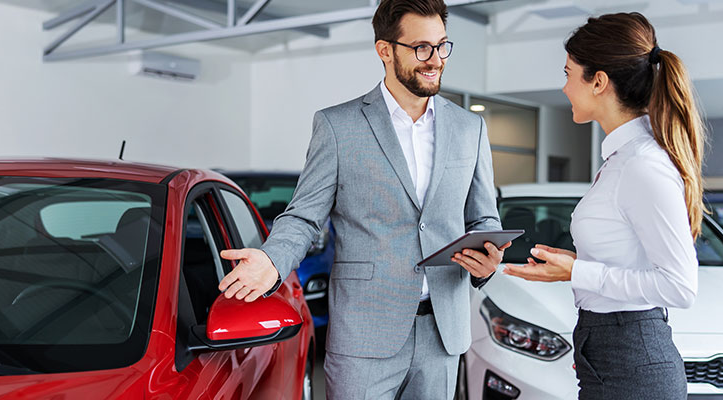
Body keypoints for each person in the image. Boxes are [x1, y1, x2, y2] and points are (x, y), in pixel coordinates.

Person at [217, 0, 509, 398]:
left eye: (442, 46)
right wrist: (272, 260)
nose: (436, 59)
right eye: (421, 48)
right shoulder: (338, 126)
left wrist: (489, 258)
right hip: (364, 336)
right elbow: (304, 216)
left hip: (443, 334)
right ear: (385, 50)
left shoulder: (469, 128)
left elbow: (484, 219)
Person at [503, 12, 705, 400]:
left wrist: (580, 272)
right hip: (608, 351)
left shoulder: (642, 164)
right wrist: (572, 269)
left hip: (633, 361)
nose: (563, 88)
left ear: (598, 81)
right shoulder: (622, 159)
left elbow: (680, 288)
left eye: (567, 74)